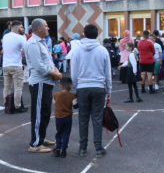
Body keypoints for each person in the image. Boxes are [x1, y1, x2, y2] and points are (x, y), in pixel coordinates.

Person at [70, 24, 112, 158]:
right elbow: (108, 72)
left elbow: (74, 72)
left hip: (82, 87)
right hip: (98, 86)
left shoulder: (77, 50)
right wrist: (108, 89)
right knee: (97, 118)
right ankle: (98, 148)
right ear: (97, 34)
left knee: (83, 118)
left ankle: (82, 148)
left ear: (84, 34)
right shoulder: (102, 50)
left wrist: (76, 87)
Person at [25, 18, 62, 153]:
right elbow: (39, 66)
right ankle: (35, 144)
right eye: (46, 26)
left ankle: (41, 137)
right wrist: (55, 74)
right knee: (39, 113)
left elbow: (47, 61)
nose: (48, 28)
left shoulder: (41, 42)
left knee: (45, 112)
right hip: (39, 82)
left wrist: (55, 71)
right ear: (39, 28)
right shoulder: (33, 43)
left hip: (45, 82)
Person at [2, 20, 28, 113]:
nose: (22, 29)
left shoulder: (5, 36)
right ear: (16, 28)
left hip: (5, 65)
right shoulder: (20, 37)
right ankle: (18, 106)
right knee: (18, 87)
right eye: (21, 27)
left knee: (7, 87)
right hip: (16, 65)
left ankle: (7, 104)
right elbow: (27, 50)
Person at [53, 77, 77, 158]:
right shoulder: (72, 96)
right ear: (70, 85)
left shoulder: (56, 95)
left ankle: (57, 149)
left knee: (59, 133)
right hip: (68, 117)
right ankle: (64, 150)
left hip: (58, 117)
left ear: (61, 85)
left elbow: (54, 103)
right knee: (66, 133)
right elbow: (75, 106)